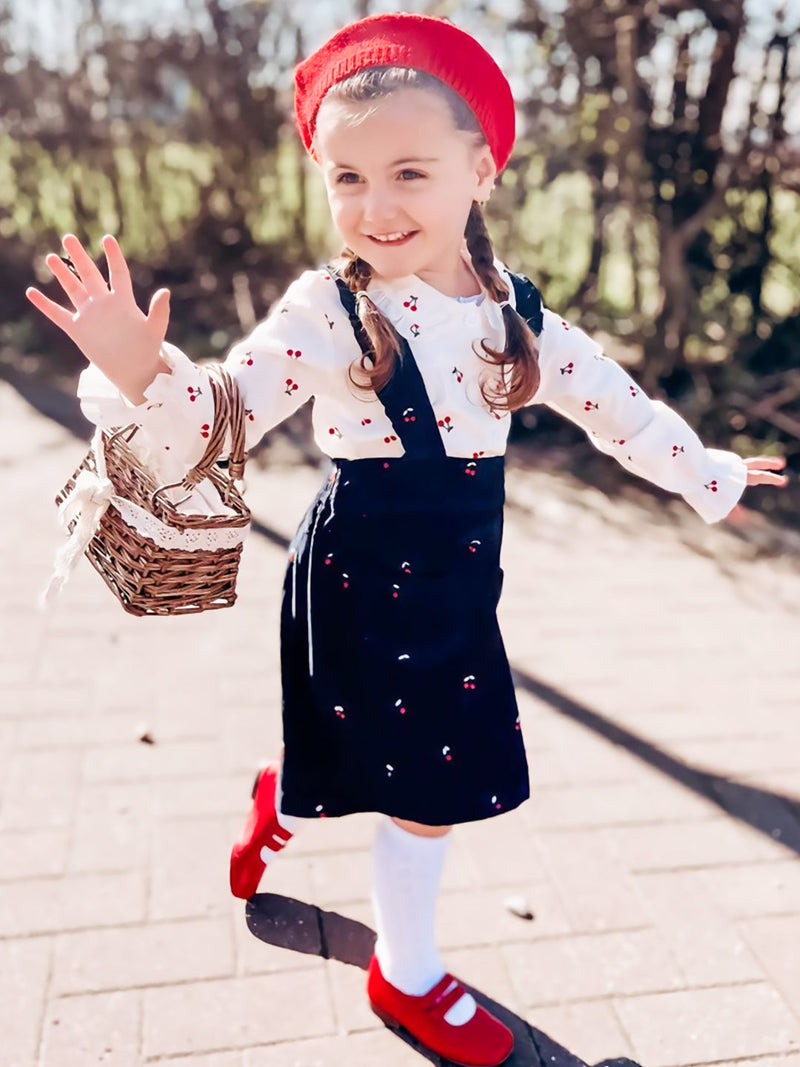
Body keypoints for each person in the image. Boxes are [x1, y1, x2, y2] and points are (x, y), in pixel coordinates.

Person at [26, 12, 787, 1067]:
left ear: (481, 170)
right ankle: (406, 966)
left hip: (457, 579)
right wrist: (139, 373)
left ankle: (328, 854)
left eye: (408, 172)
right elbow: (226, 413)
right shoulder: (319, 311)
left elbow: (615, 408)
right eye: (346, 178)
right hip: (353, 571)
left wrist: (703, 470)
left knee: (427, 770)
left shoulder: (514, 315)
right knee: (410, 771)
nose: (374, 207)